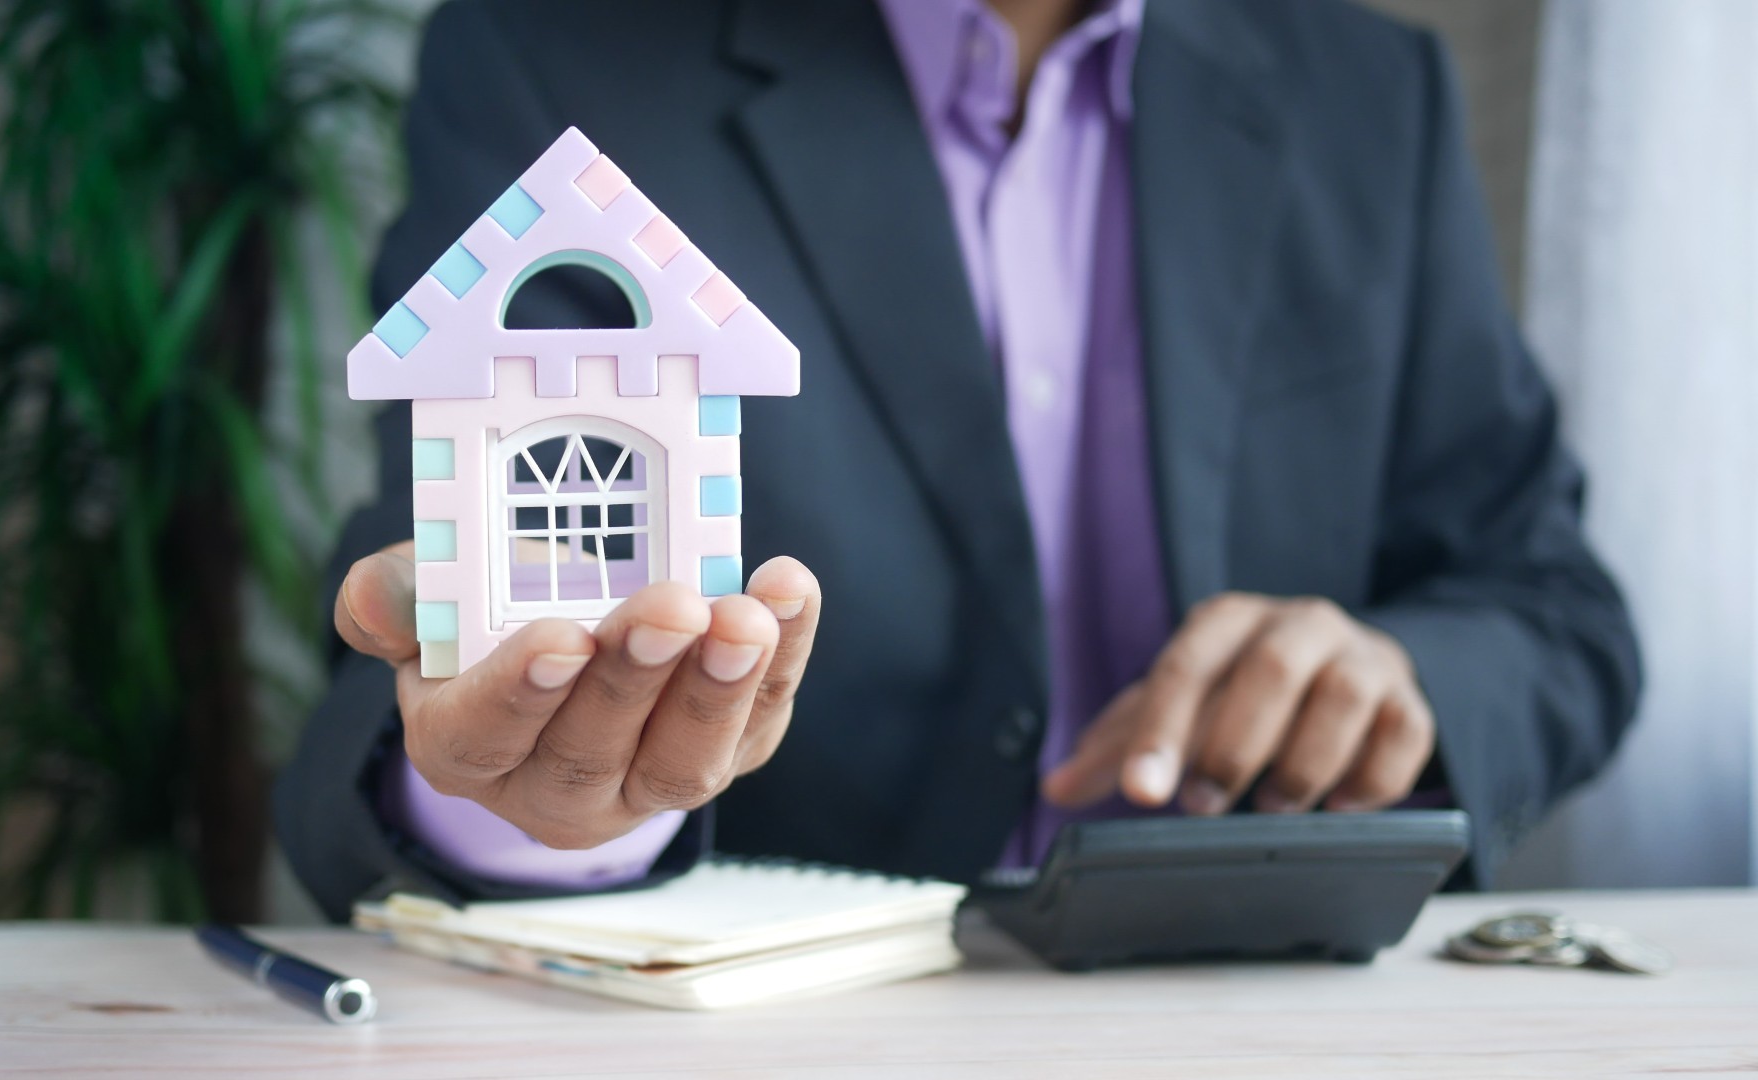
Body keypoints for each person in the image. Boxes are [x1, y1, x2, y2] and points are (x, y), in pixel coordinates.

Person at [277, 0, 1641, 921]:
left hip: (1256, 1006)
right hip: (776, 1027)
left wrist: (1402, 680)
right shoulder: (554, 55)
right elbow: (447, 624)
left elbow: (1551, 610)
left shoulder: (1367, 88)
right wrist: (547, 803)